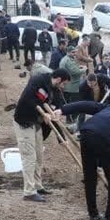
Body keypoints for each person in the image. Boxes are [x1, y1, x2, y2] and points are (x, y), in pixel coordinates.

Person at [12, 68, 69, 202]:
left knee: (39, 156)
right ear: (59, 79)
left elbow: (56, 116)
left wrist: (62, 139)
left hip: (37, 124)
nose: (63, 87)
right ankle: (29, 191)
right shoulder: (38, 80)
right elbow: (28, 99)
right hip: (24, 121)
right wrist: (45, 113)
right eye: (64, 83)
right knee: (29, 156)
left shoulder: (56, 90)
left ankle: (37, 185)